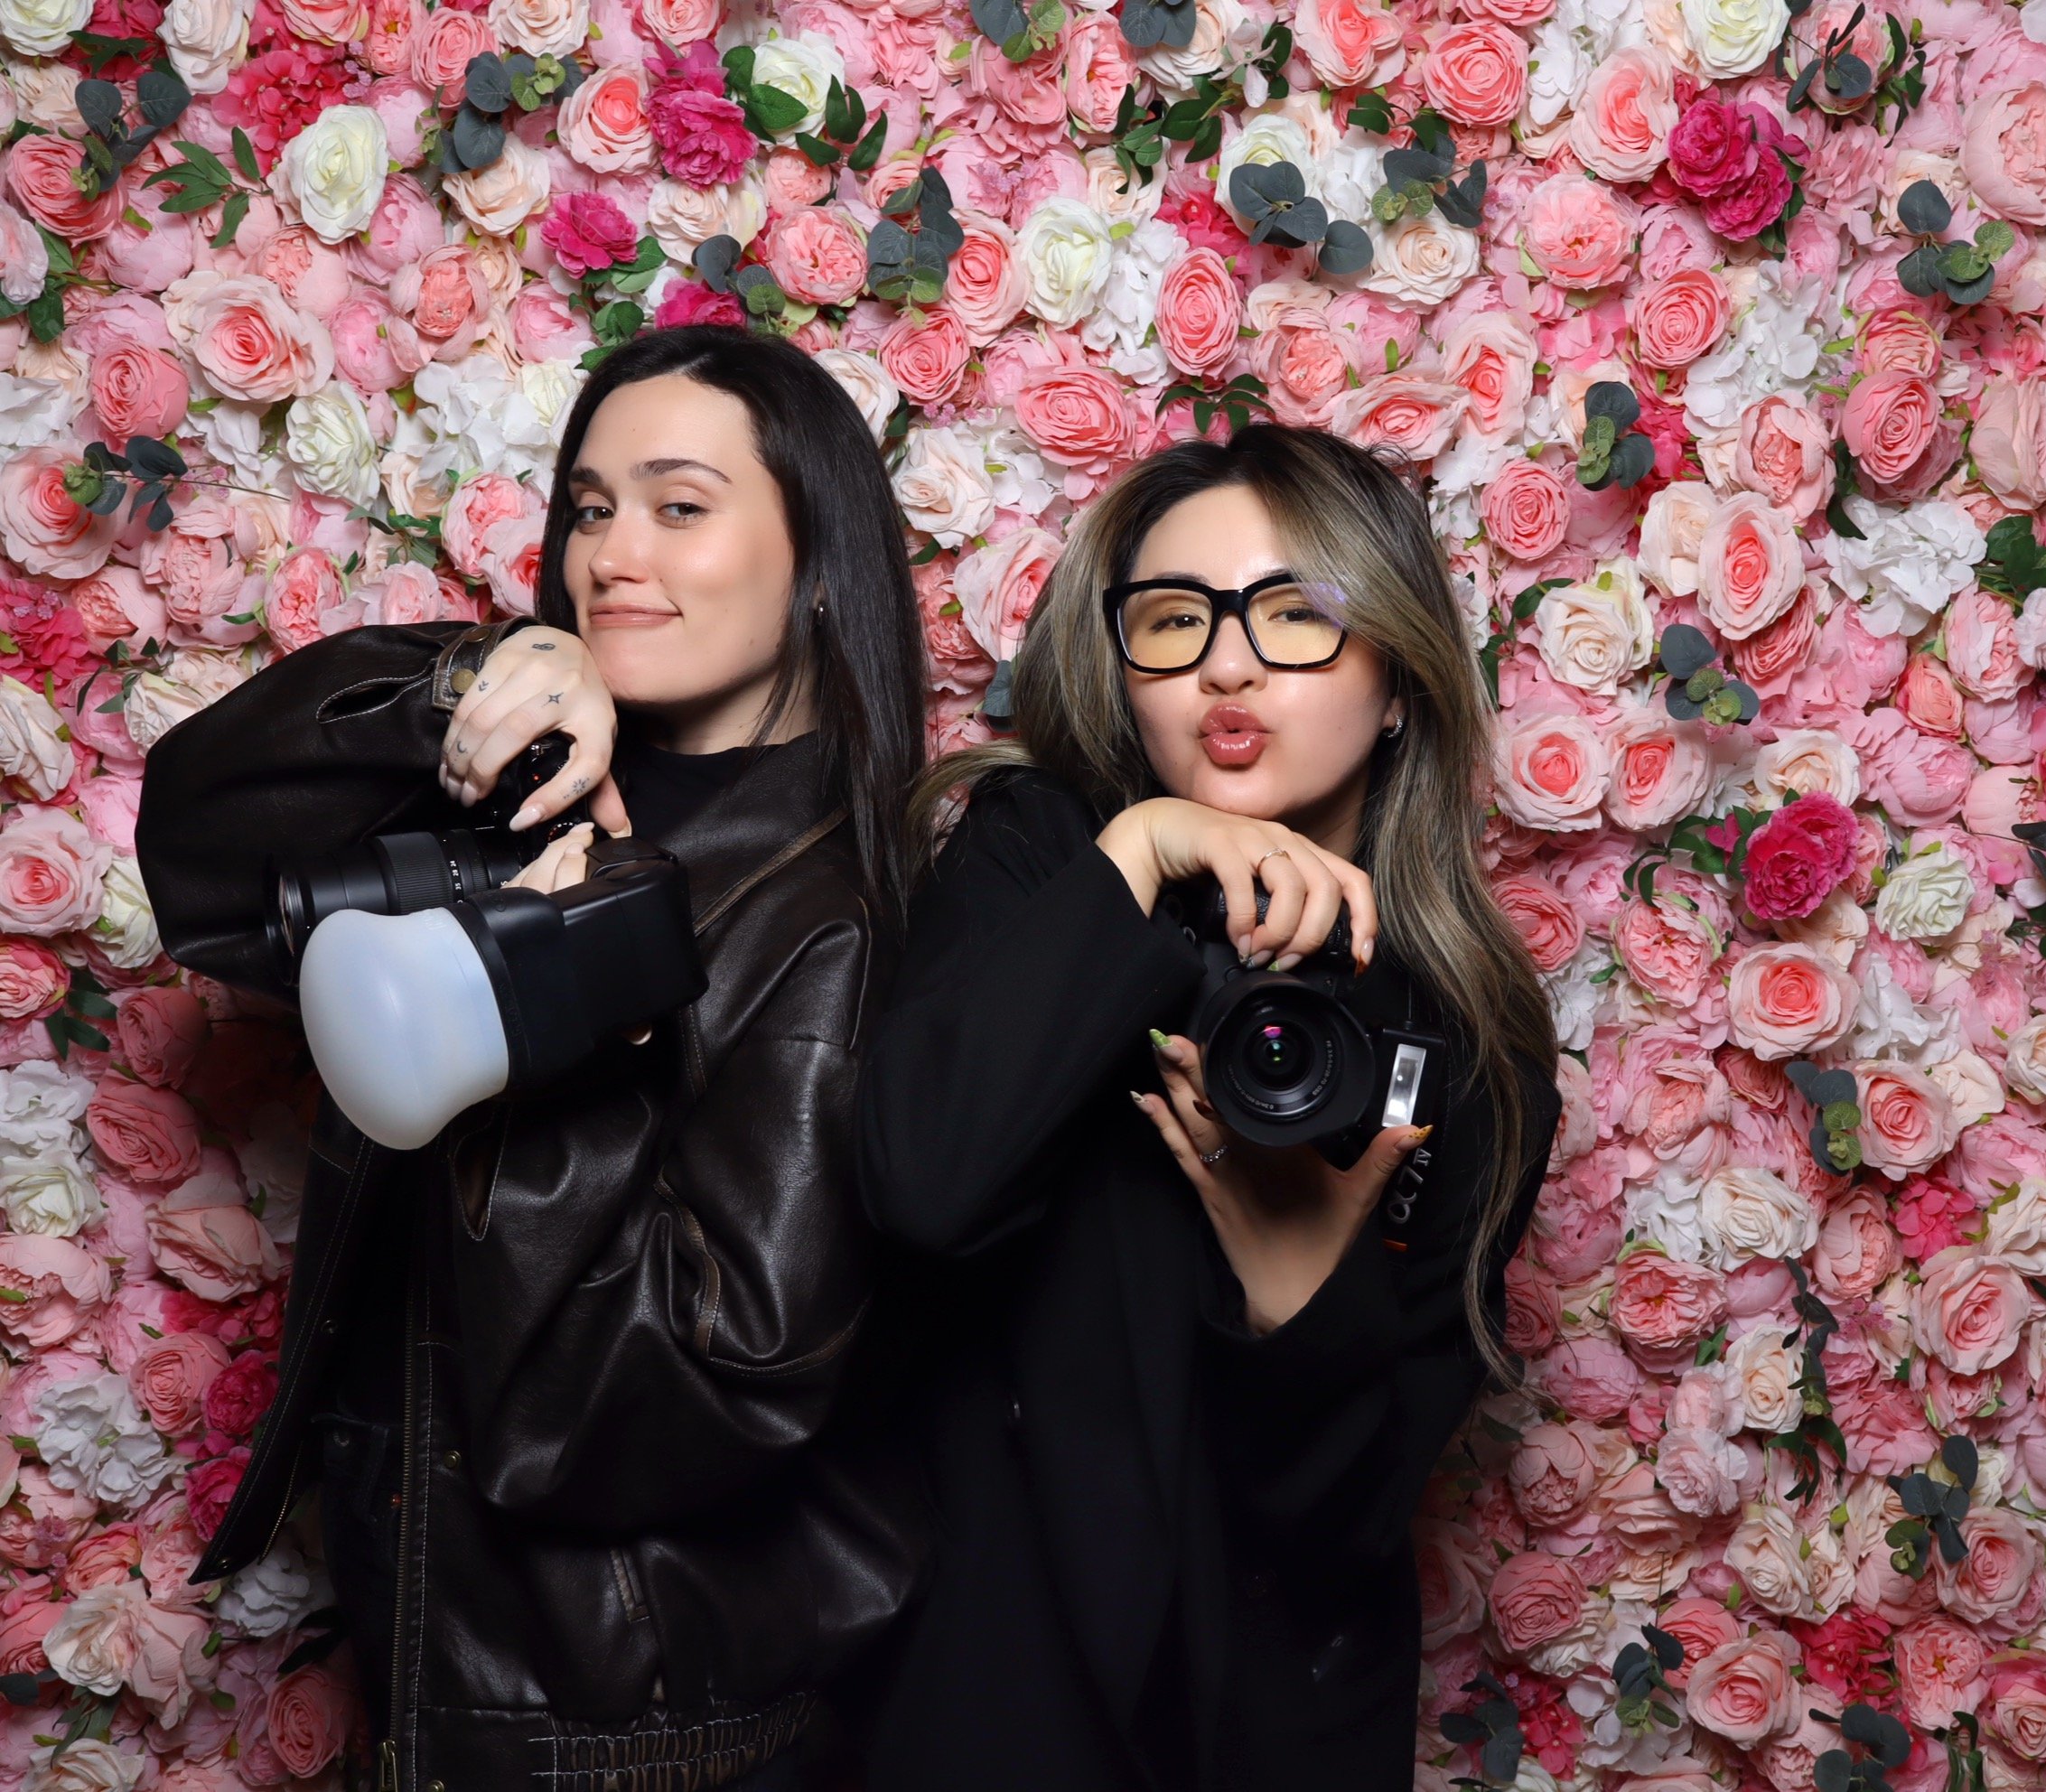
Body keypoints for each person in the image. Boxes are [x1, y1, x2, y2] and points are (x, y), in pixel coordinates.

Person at [135, 325, 930, 1792]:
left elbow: (674, 1406)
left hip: (643, 1740)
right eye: (588, 507)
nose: (612, 554)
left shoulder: (838, 915)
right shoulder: (530, 796)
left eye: (680, 507)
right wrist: (468, 684)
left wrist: (543, 1034)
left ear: (818, 556)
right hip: (433, 1668)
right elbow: (194, 860)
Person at [855, 423, 1563, 1791]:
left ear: (1400, 677)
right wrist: (1139, 851)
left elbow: (1336, 1535)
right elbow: (915, 1182)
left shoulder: (1466, 1049)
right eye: (1172, 621)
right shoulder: (1047, 867)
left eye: (1295, 615)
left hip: (1261, 1736)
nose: (1226, 664)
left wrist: (1298, 1294)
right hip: (988, 1702)